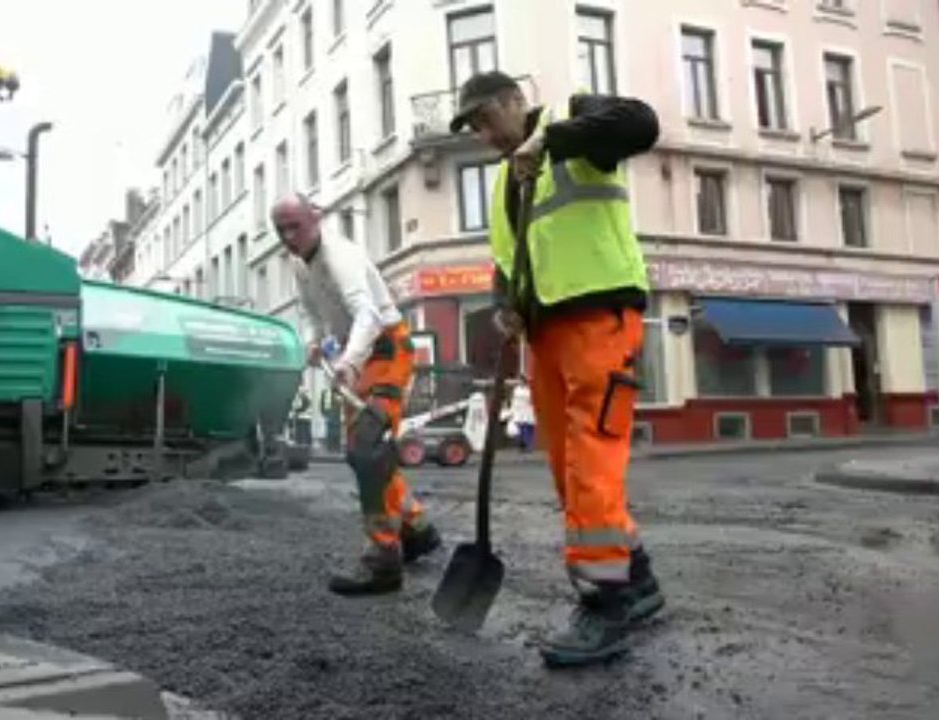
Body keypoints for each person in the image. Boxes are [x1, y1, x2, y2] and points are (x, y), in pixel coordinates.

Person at [449, 70, 665, 667]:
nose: (480, 133)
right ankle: (638, 577)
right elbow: (506, 260)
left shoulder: (575, 118)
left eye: (484, 118)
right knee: (569, 470)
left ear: (517, 102)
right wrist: (503, 307)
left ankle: (605, 607)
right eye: (471, 126)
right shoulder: (503, 182)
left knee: (593, 459)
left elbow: (641, 123)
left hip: (600, 314)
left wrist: (550, 141)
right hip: (544, 334)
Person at [272, 194, 441, 596]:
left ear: (316, 217)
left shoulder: (339, 255)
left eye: (295, 225)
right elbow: (314, 313)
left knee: (367, 449)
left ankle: (382, 561)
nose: (288, 236)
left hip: (385, 348)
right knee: (370, 452)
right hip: (359, 352)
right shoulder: (300, 264)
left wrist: (348, 362)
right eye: (281, 229)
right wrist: (316, 341)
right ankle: (416, 529)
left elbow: (367, 314)